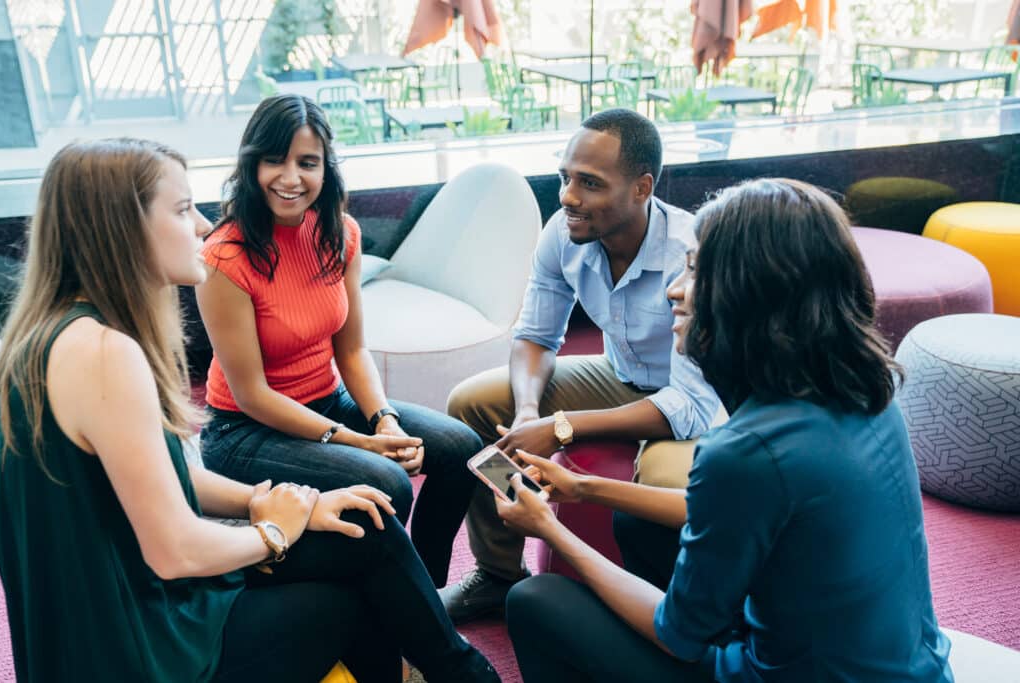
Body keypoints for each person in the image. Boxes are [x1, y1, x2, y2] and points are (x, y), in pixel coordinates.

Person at [0, 138, 499, 683]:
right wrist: (272, 534)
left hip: (104, 614)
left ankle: (453, 670)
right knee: (355, 590)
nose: (203, 227)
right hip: (135, 642)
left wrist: (276, 502)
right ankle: (461, 672)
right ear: (120, 226)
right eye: (184, 208)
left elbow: (164, 477)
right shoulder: (103, 353)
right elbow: (175, 552)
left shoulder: (38, 338)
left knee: (361, 524)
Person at [497, 178, 954, 683]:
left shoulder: (747, 451)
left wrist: (548, 529)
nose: (673, 290)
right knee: (636, 523)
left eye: (693, 271)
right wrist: (585, 488)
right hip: (912, 668)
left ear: (748, 293)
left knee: (536, 599)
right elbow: (750, 509)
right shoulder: (865, 384)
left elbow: (677, 633)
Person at [440, 108, 721, 622]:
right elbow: (535, 336)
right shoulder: (565, 233)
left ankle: (658, 613)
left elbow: (690, 403)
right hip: (620, 377)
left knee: (667, 487)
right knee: (471, 405)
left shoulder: (690, 253)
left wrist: (563, 428)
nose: (569, 196)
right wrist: (528, 413)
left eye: (590, 183)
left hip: (699, 408)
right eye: (566, 177)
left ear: (641, 188)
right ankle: (499, 575)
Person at [195, 94, 482, 588]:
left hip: (325, 399)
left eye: (307, 163)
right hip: (244, 429)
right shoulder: (223, 256)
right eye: (274, 160)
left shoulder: (339, 232)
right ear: (251, 165)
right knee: (388, 482)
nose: (291, 179)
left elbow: (350, 350)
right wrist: (359, 442)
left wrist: (384, 419)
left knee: (462, 448)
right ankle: (388, 602)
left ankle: (429, 591)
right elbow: (252, 394)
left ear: (326, 167)